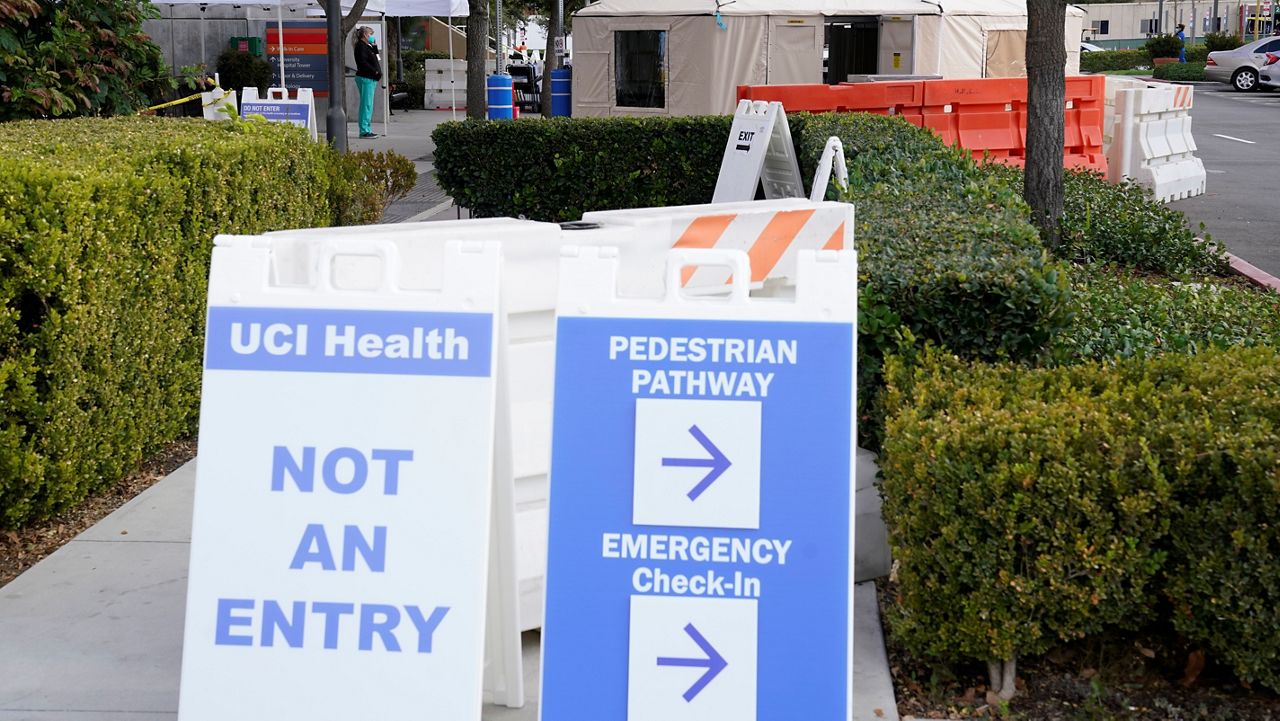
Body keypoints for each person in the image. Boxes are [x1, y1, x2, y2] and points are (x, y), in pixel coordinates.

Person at [353, 27, 381, 138]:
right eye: (370, 34)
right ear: (365, 34)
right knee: (366, 105)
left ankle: (366, 129)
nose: (372, 36)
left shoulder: (367, 46)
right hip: (366, 78)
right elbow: (363, 62)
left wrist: (374, 46)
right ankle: (364, 131)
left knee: (368, 105)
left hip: (370, 78)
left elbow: (377, 58)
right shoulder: (360, 46)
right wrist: (374, 71)